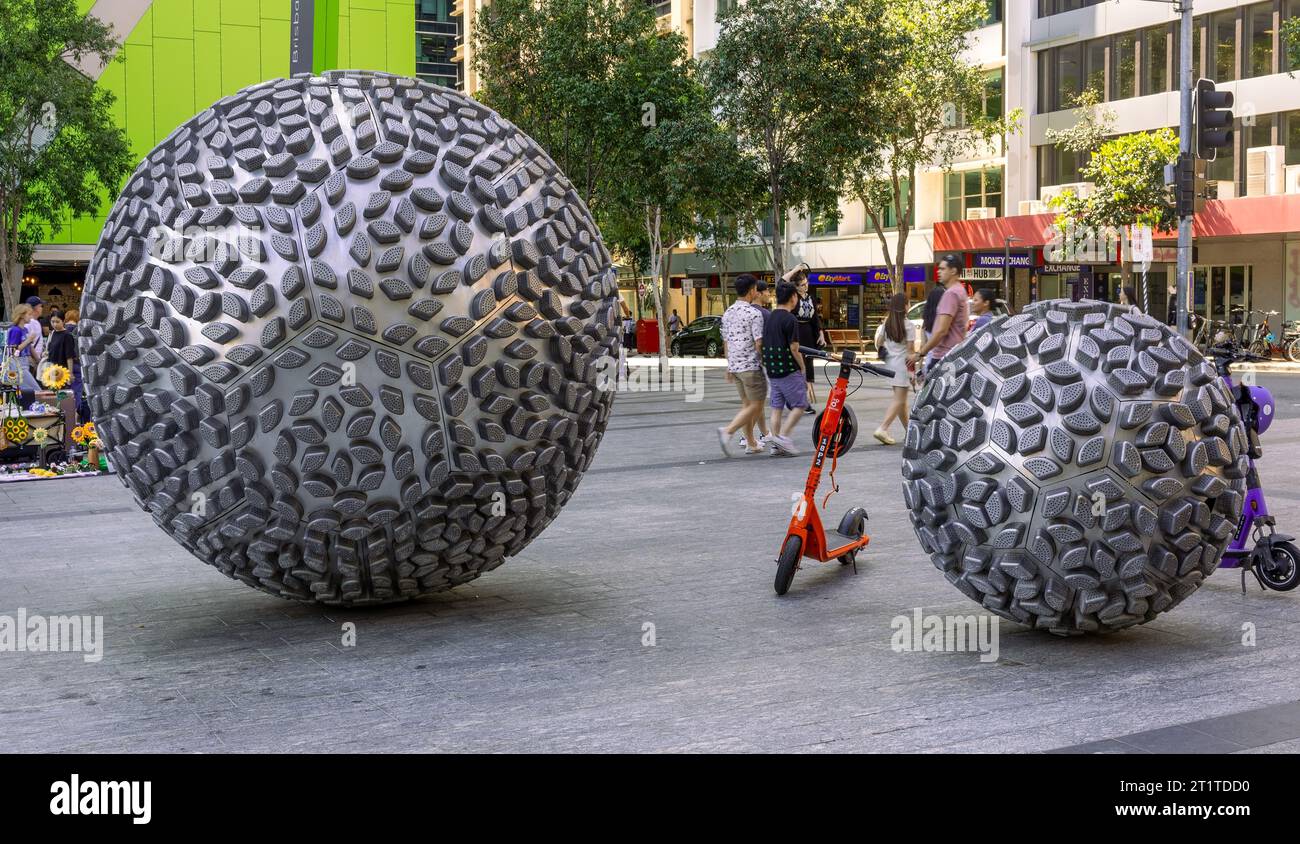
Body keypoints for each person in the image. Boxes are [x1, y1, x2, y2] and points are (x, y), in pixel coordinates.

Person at [717, 274, 769, 457]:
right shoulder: (754, 314)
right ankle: (728, 431)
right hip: (751, 366)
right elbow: (759, 343)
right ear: (752, 291)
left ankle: (751, 443)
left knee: (747, 405)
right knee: (756, 405)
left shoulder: (728, 312)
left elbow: (726, 341)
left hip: (736, 366)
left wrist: (729, 365)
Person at [761, 282, 809, 456]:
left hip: (772, 369)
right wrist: (802, 367)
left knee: (777, 408)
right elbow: (794, 348)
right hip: (788, 369)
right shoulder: (790, 319)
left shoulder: (770, 316)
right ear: (793, 297)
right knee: (800, 404)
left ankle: (776, 444)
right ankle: (784, 438)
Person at [910, 253, 969, 375]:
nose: (938, 271)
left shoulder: (951, 294)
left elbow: (941, 330)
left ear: (953, 271)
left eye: (942, 269)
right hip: (954, 355)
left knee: (932, 394)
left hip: (943, 359)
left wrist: (920, 353)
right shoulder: (960, 290)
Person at [873, 293, 917, 446]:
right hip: (902, 366)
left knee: (901, 402)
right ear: (905, 306)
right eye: (908, 303)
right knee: (899, 400)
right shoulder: (908, 325)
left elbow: (879, 342)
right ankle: (883, 428)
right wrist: (912, 372)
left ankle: (910, 432)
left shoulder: (887, 323)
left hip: (890, 365)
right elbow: (911, 352)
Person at [788, 264, 825, 411]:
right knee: (798, 368)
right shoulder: (792, 297)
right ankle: (799, 400)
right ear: (796, 287)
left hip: (809, 334)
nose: (806, 286)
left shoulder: (810, 298)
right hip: (796, 333)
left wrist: (821, 333)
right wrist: (795, 269)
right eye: (802, 285)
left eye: (807, 283)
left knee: (808, 368)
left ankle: (803, 401)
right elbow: (782, 283)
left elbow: (815, 317)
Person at [5, 304, 41, 393]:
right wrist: (28, 340)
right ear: (21, 315)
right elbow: (13, 350)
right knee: (36, 390)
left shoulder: (25, 329)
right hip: (17, 364)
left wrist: (37, 360)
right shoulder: (15, 330)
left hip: (24, 363)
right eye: (29, 314)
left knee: (25, 391)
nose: (31, 317)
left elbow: (28, 349)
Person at [24, 296, 45, 375]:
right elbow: (29, 344)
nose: (42, 308)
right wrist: (37, 360)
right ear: (35, 308)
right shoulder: (31, 323)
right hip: (32, 361)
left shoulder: (34, 322)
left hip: (32, 361)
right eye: (40, 306)